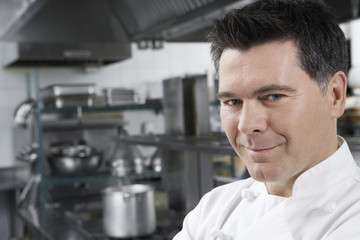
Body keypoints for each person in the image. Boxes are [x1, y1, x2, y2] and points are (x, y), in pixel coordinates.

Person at [173, 0, 360, 239]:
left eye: (273, 96)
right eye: (233, 102)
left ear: (335, 96)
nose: (246, 125)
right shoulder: (213, 209)